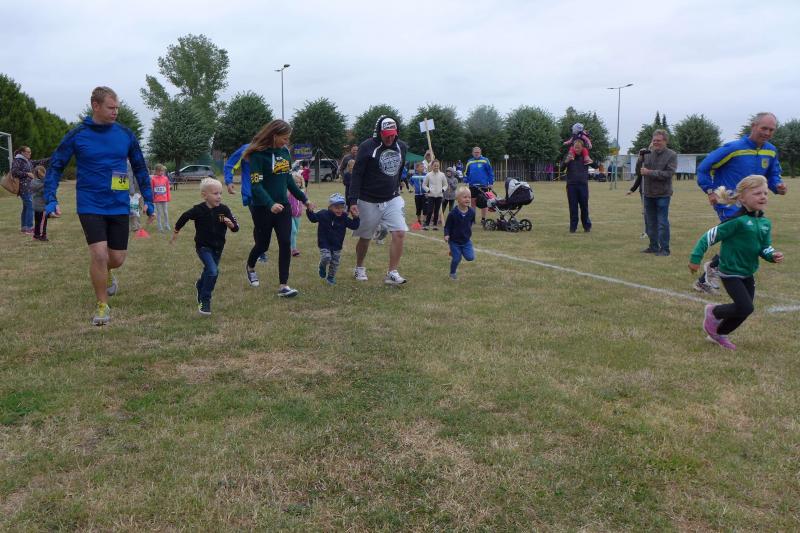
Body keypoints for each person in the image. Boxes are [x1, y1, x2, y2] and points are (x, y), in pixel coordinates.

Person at [43, 86, 154, 326]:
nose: (115, 112)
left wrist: (149, 199)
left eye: (117, 108)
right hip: (90, 203)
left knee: (117, 258)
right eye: (110, 107)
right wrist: (51, 198)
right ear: (95, 106)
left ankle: (108, 271)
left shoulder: (125, 134)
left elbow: (140, 167)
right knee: (99, 254)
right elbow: (56, 165)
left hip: (118, 204)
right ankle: (102, 305)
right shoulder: (78, 135)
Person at [694, 112, 787, 292]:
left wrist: (778, 186)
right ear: (753, 126)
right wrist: (710, 190)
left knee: (745, 237)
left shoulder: (771, 150)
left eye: (771, 130)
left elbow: (773, 174)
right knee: (742, 235)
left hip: (752, 204)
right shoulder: (733, 148)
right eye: (764, 128)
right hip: (729, 202)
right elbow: (704, 168)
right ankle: (720, 272)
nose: (767, 133)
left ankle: (711, 273)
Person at [688, 175, 784, 350]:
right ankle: (714, 312)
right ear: (742, 198)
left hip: (748, 272)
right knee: (745, 306)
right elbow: (709, 237)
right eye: (757, 193)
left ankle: (719, 333)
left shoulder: (765, 223)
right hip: (730, 272)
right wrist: (695, 258)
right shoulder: (737, 222)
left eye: (765, 193)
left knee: (746, 309)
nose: (763, 197)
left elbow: (764, 246)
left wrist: (772, 255)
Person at [243, 119, 312, 298]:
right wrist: (270, 203)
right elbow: (256, 186)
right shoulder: (258, 155)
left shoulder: (284, 153)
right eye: (284, 138)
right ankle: (250, 267)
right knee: (262, 245)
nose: (287, 142)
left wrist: (304, 199)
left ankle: (283, 285)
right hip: (262, 208)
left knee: (285, 242)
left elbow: (288, 180)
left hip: (284, 207)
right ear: (274, 135)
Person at [348, 115, 408, 285]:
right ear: (379, 133)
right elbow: (357, 174)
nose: (390, 138)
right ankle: (359, 267)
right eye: (386, 135)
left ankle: (392, 273)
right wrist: (352, 201)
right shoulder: (367, 147)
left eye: (393, 135)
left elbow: (399, 169)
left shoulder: (401, 147)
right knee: (365, 237)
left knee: (399, 232)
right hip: (368, 199)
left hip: (392, 197)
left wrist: (396, 187)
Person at [171, 178, 239, 315]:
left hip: (218, 248)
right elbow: (185, 216)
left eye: (220, 193)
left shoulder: (224, 210)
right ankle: (205, 299)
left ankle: (200, 284)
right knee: (213, 271)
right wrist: (176, 230)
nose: (219, 196)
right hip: (203, 247)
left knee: (210, 270)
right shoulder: (199, 210)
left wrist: (231, 225)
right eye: (215, 193)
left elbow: (235, 227)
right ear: (204, 195)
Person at [223, 142, 267, 263]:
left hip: (270, 192)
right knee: (260, 223)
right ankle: (260, 252)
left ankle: (262, 248)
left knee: (267, 223)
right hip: (252, 193)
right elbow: (230, 165)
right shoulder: (247, 149)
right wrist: (229, 181)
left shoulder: (274, 149)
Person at [306, 192, 360, 285]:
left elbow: (354, 226)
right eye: (336, 207)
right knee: (326, 257)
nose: (339, 210)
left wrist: (356, 218)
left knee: (334, 263)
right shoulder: (323, 214)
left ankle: (330, 277)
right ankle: (322, 266)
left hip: (337, 245)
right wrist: (309, 210)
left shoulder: (344, 218)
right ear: (330, 207)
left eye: (342, 207)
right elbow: (313, 219)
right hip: (324, 242)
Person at [639, 130, 677, 255]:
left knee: (662, 223)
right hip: (648, 193)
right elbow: (640, 170)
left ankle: (665, 249)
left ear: (665, 141)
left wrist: (650, 172)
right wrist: (640, 158)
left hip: (663, 194)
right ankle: (653, 246)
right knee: (650, 222)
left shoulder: (671, 155)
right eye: (654, 140)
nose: (655, 142)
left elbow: (669, 174)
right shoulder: (647, 154)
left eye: (658, 140)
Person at [11, 146, 49, 234]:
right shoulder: (18, 160)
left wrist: (53, 157)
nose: (30, 153)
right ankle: (29, 227)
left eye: (30, 152)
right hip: (23, 188)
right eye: (28, 152)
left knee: (26, 207)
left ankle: (24, 227)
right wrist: (27, 174)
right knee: (30, 206)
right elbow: (14, 172)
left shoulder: (28, 161)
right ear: (22, 152)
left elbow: (39, 162)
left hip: (29, 187)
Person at [444, 185, 476, 280]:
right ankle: (452, 273)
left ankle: (454, 252)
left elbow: (470, 223)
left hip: (466, 241)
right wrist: (446, 235)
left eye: (469, 197)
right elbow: (447, 226)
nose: (467, 199)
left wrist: (467, 233)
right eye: (464, 197)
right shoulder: (453, 213)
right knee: (457, 258)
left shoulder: (472, 212)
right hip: (454, 241)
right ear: (457, 199)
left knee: (470, 257)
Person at [563, 139, 592, 233]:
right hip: (571, 186)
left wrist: (591, 161)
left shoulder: (585, 156)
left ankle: (587, 227)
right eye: (575, 147)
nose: (577, 149)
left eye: (579, 148)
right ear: (573, 147)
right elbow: (562, 167)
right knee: (573, 207)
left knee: (584, 207)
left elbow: (595, 166)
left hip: (583, 185)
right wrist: (567, 161)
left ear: (582, 148)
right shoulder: (569, 155)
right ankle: (573, 228)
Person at [464, 146, 494, 225]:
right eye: (475, 152)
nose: (476, 153)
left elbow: (490, 172)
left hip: (483, 185)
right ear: (472, 153)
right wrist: (466, 181)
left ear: (480, 153)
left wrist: (491, 183)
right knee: (473, 202)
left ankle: (483, 219)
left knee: (484, 203)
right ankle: (472, 219)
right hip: (472, 185)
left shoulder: (485, 160)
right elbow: (466, 173)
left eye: (478, 152)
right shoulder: (470, 161)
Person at [423, 160, 447, 229]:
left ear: (439, 166)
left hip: (439, 196)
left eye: (437, 166)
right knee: (430, 210)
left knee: (437, 211)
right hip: (431, 196)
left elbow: (446, 185)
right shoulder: (428, 175)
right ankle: (427, 224)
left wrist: (442, 190)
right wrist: (428, 190)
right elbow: (424, 185)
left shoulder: (442, 175)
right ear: (432, 166)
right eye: (435, 166)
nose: (436, 167)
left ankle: (435, 225)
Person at [29, 166, 49, 241]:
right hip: (42, 206)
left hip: (36, 206)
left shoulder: (33, 181)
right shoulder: (43, 183)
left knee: (37, 221)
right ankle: (42, 236)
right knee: (42, 222)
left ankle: (36, 235)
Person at [288, 171, 305, 257]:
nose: (297, 184)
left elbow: (304, 201)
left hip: (298, 215)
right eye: (295, 182)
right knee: (293, 231)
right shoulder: (289, 192)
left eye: (299, 182)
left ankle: (288, 244)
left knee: (295, 232)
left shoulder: (302, 192)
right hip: (289, 215)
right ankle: (293, 249)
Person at [150, 164, 171, 232]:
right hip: (157, 199)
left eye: (162, 171)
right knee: (159, 213)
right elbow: (152, 190)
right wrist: (153, 198)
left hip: (164, 198)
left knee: (165, 212)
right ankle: (159, 226)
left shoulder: (165, 178)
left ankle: (166, 224)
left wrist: (168, 197)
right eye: (159, 171)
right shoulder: (153, 179)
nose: (161, 172)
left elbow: (167, 188)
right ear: (156, 171)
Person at [409, 162, 427, 227]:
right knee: (418, 208)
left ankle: (424, 220)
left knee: (425, 208)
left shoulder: (426, 175)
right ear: (417, 168)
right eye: (421, 167)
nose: (423, 168)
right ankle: (419, 220)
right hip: (417, 195)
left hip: (425, 194)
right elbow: (410, 181)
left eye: (423, 166)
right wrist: (414, 186)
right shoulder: (414, 176)